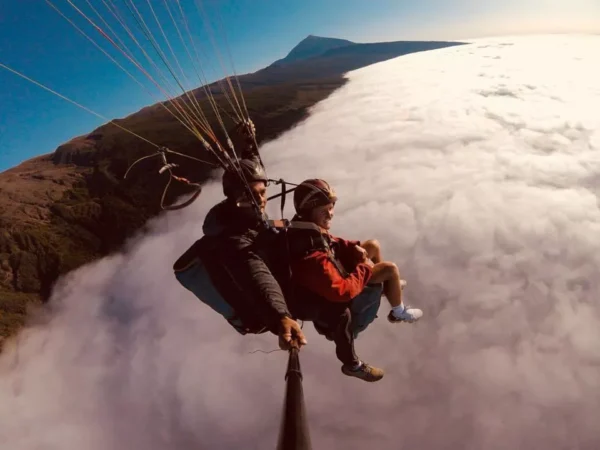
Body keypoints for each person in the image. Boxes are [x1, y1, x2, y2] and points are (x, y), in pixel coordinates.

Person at [173, 120, 306, 351]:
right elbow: (254, 273)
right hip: (264, 305)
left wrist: (249, 140)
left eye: (263, 192)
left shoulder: (244, 210)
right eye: (252, 197)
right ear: (235, 200)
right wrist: (281, 316)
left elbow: (252, 167)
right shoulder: (233, 239)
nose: (261, 201)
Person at [288, 178, 423, 328]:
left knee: (372, 245)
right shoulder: (312, 256)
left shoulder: (307, 228)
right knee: (390, 269)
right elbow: (342, 292)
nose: (330, 214)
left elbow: (330, 241)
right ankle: (399, 312)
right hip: (344, 298)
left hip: (336, 271)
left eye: (331, 207)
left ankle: (387, 286)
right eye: (323, 211)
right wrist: (365, 268)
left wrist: (353, 247)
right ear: (308, 212)